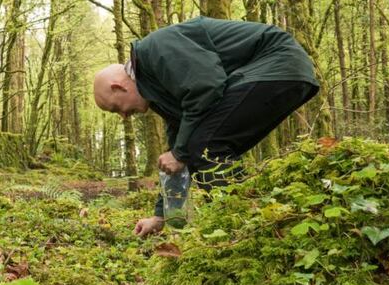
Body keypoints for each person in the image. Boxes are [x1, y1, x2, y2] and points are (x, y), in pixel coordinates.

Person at [93, 16, 319, 237]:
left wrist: (181, 152)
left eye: (116, 108)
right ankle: (245, 223)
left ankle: (241, 226)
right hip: (279, 73)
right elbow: (179, 152)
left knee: (205, 146)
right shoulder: (158, 90)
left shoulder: (156, 50)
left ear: (118, 87)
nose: (123, 116)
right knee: (201, 145)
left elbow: (207, 86)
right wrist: (160, 216)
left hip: (277, 62)